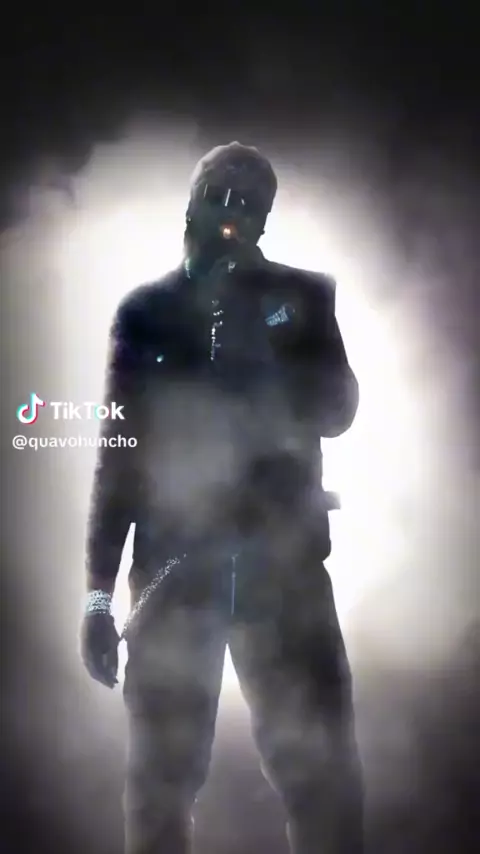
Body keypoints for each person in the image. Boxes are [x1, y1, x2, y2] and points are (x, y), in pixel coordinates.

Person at [80, 141, 364, 854]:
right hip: (175, 578)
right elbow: (118, 461)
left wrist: (271, 340)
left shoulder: (302, 298)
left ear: (266, 220)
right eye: (219, 198)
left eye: (249, 205)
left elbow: (338, 410)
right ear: (191, 205)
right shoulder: (146, 314)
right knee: (159, 788)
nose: (231, 217)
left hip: (285, 577)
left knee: (323, 780)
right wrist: (97, 599)